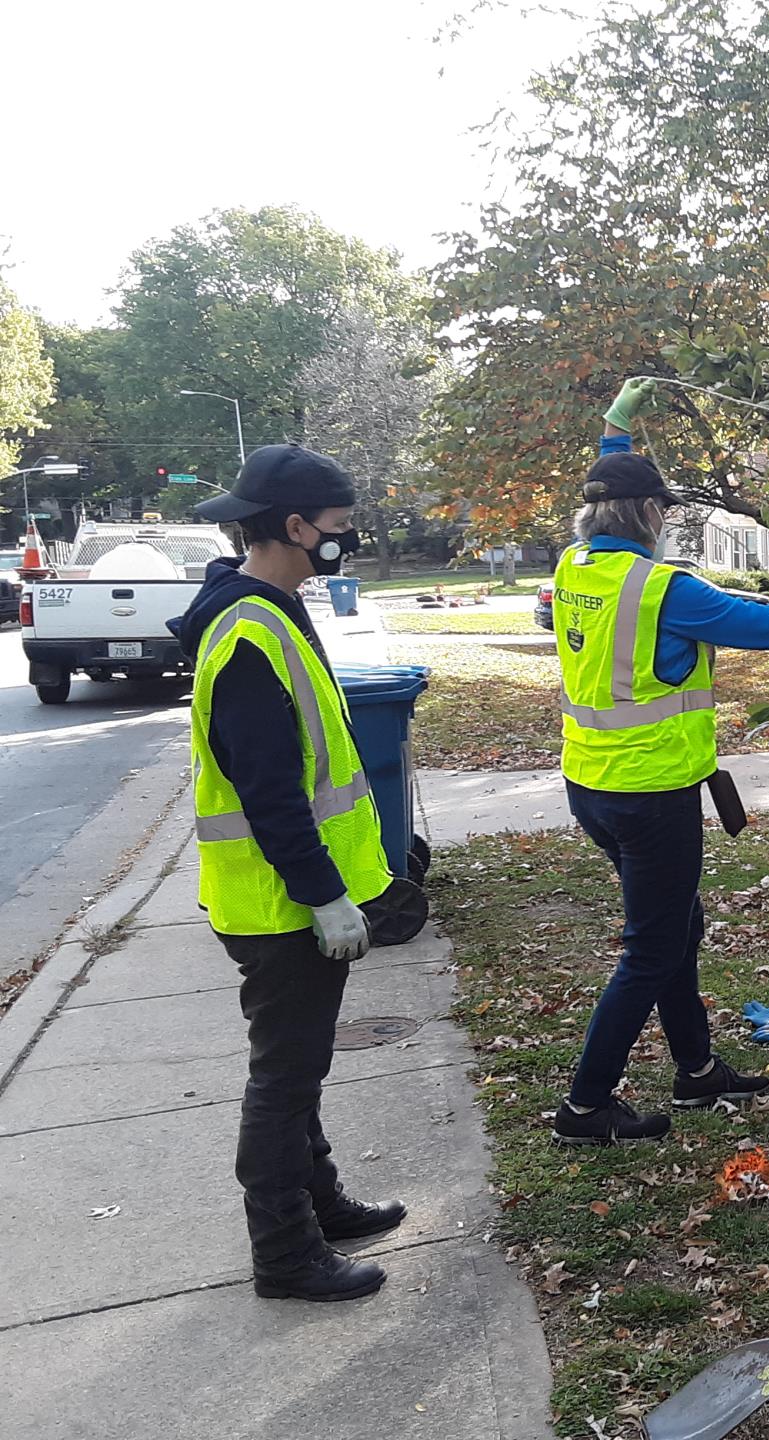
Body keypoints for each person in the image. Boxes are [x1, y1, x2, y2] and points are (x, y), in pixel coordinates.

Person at [173, 444, 405, 1303]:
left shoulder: (272, 608)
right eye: (340, 530)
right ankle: (285, 1253)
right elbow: (270, 795)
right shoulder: (246, 635)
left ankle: (322, 1204)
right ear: (296, 528)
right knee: (283, 1081)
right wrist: (324, 897)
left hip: (287, 902)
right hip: (279, 908)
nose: (347, 543)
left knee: (299, 1069)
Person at [549, 383, 769, 1144]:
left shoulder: (574, 567)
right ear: (651, 517)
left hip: (591, 785)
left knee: (675, 928)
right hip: (650, 794)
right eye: (661, 509)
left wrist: (615, 431)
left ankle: (696, 1071)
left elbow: (610, 484)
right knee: (653, 947)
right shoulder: (665, 590)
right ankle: (585, 1106)